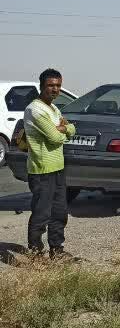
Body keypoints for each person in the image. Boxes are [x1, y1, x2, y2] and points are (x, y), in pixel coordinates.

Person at [24, 68, 76, 259]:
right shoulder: (35, 110)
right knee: (41, 214)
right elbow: (55, 137)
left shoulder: (54, 109)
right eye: (50, 85)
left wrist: (65, 128)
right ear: (41, 86)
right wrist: (63, 130)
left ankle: (57, 251)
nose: (55, 89)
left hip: (58, 168)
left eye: (58, 86)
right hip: (41, 170)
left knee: (60, 213)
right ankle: (36, 254)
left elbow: (70, 129)